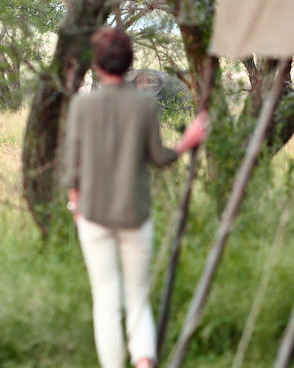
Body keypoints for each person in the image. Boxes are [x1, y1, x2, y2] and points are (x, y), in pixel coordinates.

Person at [63, 27, 207, 368]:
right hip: (135, 215)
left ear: (96, 64)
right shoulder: (144, 104)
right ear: (129, 62)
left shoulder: (81, 105)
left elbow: (72, 168)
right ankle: (144, 363)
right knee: (138, 299)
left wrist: (76, 207)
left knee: (107, 301)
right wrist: (187, 140)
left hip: (93, 215)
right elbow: (159, 158)